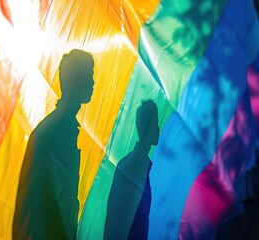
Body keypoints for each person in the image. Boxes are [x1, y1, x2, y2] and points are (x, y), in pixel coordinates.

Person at [13, 49, 95, 239]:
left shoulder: (59, 125)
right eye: (89, 76)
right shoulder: (61, 130)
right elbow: (51, 199)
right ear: (76, 79)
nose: (93, 83)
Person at [104, 100, 160, 240]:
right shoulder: (135, 166)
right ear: (148, 126)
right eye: (155, 123)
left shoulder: (129, 164)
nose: (158, 129)